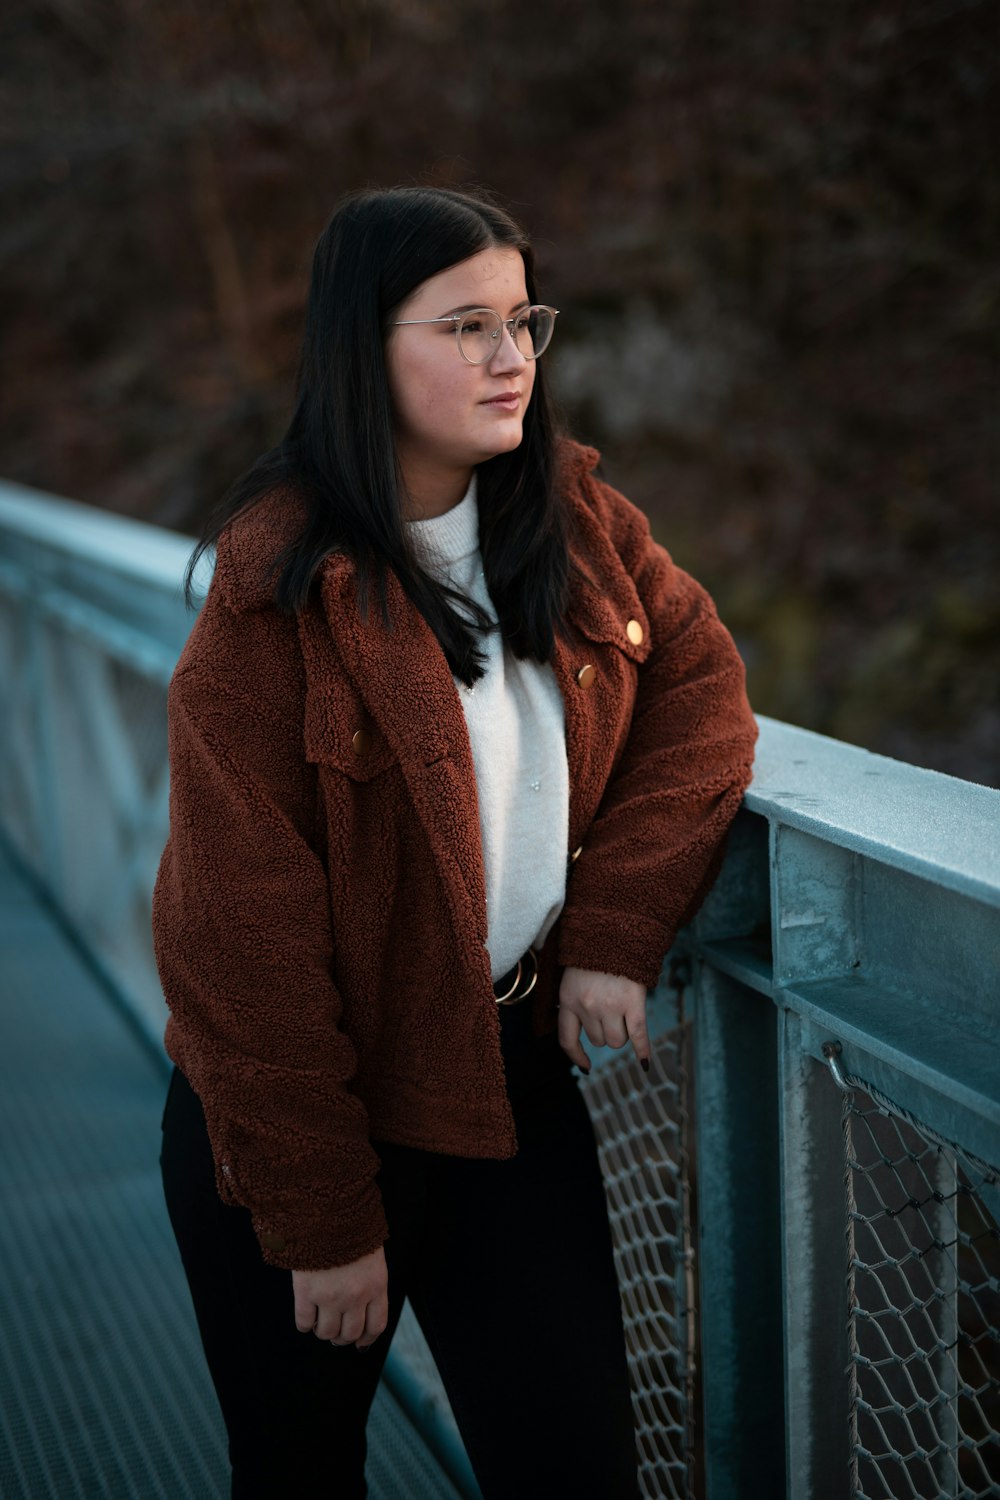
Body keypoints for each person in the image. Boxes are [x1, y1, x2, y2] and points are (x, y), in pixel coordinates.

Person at [153, 184, 758, 1500]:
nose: (513, 358)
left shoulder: (580, 526)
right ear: (360, 350)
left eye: (526, 319)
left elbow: (707, 699)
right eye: (467, 324)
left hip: (507, 1090)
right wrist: (321, 1219)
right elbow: (236, 940)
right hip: (308, 1115)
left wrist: (615, 931)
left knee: (576, 1469)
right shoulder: (273, 598)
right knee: (301, 1476)